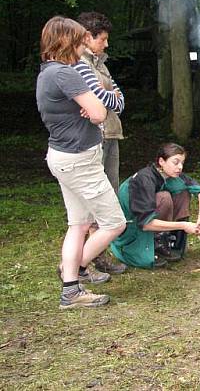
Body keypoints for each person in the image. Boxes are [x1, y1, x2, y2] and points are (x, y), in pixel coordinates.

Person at [36, 16, 126, 309]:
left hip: (62, 156)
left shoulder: (47, 72)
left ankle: (71, 289)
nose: (83, 44)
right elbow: (100, 113)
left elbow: (95, 108)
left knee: (79, 224)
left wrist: (91, 107)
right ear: (66, 41)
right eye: (79, 39)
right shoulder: (67, 73)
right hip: (79, 160)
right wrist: (94, 108)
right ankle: (72, 274)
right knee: (114, 223)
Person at [74, 11, 127, 275]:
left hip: (111, 134)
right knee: (93, 201)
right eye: (102, 39)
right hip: (96, 137)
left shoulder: (99, 63)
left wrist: (110, 96)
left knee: (109, 196)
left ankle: (97, 255)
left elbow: (119, 100)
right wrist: (109, 96)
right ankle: (84, 263)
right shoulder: (79, 64)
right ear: (87, 37)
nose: (106, 44)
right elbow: (104, 101)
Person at [110, 143, 200, 268]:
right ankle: (154, 244)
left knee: (183, 192)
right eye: (176, 162)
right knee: (164, 197)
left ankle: (168, 241)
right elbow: (145, 224)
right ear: (161, 161)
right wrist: (184, 225)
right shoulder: (144, 180)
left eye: (182, 163)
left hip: (146, 223)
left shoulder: (171, 174)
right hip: (129, 232)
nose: (180, 167)